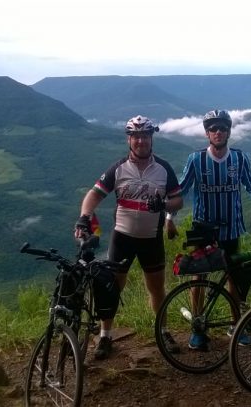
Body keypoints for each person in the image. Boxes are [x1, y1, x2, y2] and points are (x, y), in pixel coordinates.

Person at [74, 115, 183, 360]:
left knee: (157, 288)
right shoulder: (118, 168)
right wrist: (84, 216)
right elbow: (94, 195)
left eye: (145, 136)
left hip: (151, 238)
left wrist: (165, 203)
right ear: (129, 140)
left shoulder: (164, 169)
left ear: (151, 138)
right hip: (122, 237)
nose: (141, 141)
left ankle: (163, 330)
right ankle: (105, 335)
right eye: (136, 136)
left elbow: (178, 200)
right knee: (113, 288)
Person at [166, 109, 251, 349]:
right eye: (213, 128)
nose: (218, 132)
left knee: (233, 277)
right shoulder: (196, 159)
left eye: (222, 128)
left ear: (229, 131)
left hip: (232, 228)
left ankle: (236, 326)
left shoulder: (239, 158)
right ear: (206, 133)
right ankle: (198, 327)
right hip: (203, 229)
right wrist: (169, 217)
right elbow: (181, 189)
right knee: (198, 278)